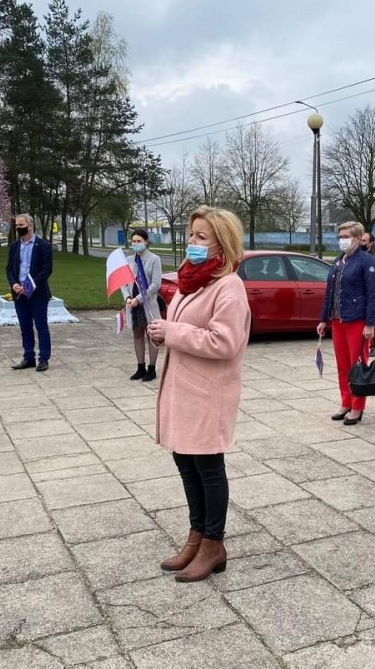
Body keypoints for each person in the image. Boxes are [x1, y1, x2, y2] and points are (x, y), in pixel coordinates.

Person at [147, 206, 250, 583]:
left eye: (201, 237)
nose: (192, 241)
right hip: (182, 390)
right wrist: (162, 331)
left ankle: (213, 544)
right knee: (186, 465)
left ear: (222, 244)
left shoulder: (228, 286)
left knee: (208, 469)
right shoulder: (193, 280)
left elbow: (225, 342)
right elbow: (184, 329)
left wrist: (172, 333)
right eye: (191, 234)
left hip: (208, 394)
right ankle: (196, 537)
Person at [317, 221, 375, 426]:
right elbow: (330, 292)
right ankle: (346, 402)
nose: (342, 240)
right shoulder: (339, 261)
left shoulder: (367, 261)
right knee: (342, 365)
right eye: (340, 237)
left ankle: (357, 406)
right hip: (338, 319)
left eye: (346, 237)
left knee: (357, 365)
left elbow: (373, 295)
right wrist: (323, 319)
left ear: (358, 238)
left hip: (357, 320)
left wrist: (370, 324)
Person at [6, 214, 53, 372]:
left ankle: (44, 358)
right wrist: (14, 284)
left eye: (21, 225)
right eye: (16, 225)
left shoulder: (43, 245)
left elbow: (47, 269)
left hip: (37, 294)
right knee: (25, 327)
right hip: (19, 294)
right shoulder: (14, 246)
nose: (18, 228)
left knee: (41, 326)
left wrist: (29, 286)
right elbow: (9, 268)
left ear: (30, 226)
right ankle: (28, 357)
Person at [125, 229, 162, 382]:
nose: (136, 244)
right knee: (137, 334)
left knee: (151, 335)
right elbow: (124, 282)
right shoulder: (129, 260)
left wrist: (139, 299)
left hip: (147, 303)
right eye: (133, 241)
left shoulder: (154, 259)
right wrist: (128, 297)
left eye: (139, 241)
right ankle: (140, 367)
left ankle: (151, 369)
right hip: (133, 304)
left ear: (146, 241)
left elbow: (155, 284)